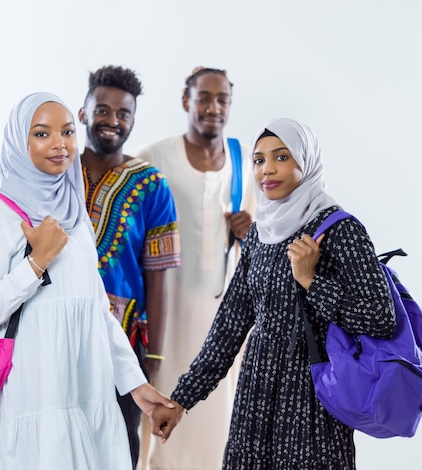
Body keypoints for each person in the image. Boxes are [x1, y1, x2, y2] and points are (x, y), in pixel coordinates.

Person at [151, 118, 397, 469]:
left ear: (305, 161)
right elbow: (229, 329)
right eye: (259, 160)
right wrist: (181, 400)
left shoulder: (341, 230)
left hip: (313, 399)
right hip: (256, 392)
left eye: (282, 157)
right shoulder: (260, 235)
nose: (267, 169)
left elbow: (379, 318)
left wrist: (311, 280)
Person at [0, 92, 174, 470]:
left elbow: (96, 309)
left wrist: (135, 383)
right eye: (42, 134)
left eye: (67, 132)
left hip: (86, 387)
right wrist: (36, 262)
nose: (60, 144)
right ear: (18, 142)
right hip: (32, 393)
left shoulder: (75, 215)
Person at [135, 66, 257, 469]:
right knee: (159, 404)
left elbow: (266, 247)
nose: (213, 107)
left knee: (217, 417)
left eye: (222, 99)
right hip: (166, 313)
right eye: (204, 97)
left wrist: (248, 231)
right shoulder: (154, 156)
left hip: (222, 317)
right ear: (186, 101)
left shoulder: (243, 164)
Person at [78, 65, 181, 469]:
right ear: (83, 112)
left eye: (123, 114)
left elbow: (157, 277)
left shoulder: (152, 184)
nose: (112, 121)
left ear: (133, 121)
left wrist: (153, 359)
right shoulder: (59, 171)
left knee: (120, 444)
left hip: (124, 340)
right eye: (102, 110)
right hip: (56, 328)